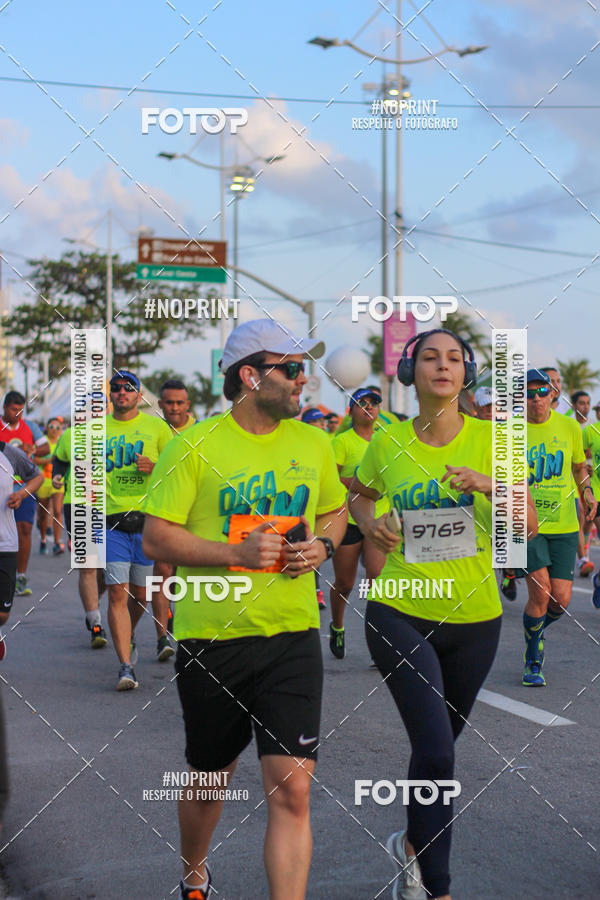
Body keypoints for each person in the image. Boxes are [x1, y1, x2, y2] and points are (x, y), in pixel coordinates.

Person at [142, 319, 347, 900]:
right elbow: (156, 536)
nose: (303, 379)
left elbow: (335, 510)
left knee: (293, 789)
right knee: (211, 779)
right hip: (213, 639)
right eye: (293, 368)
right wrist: (234, 553)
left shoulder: (314, 443)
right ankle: (194, 872)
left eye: (305, 368)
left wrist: (323, 545)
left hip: (292, 635)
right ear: (251, 376)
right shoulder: (193, 445)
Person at [349, 329, 537, 900]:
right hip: (398, 610)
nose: (442, 365)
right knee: (434, 750)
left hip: (476, 621)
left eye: (454, 358)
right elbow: (357, 495)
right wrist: (370, 525)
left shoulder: (496, 440)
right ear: (411, 372)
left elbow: (527, 523)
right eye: (430, 357)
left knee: (439, 751)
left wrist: (489, 484)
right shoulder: (388, 441)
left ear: (467, 373)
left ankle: (411, 844)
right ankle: (439, 888)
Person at [514, 369, 596, 686]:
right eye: (529, 393)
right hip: (528, 524)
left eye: (541, 392)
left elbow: (578, 468)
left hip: (564, 524)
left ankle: (535, 631)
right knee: (541, 591)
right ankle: (533, 661)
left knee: (560, 599)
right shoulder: (511, 433)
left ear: (552, 394)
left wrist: (587, 492)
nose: (535, 399)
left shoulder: (569, 427)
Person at [105, 370, 171, 690]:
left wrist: (155, 467)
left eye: (128, 388)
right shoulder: (96, 430)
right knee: (117, 592)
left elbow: (176, 471)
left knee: (141, 595)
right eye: (116, 388)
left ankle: (127, 634)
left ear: (139, 395)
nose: (122, 392)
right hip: (110, 522)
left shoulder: (157, 428)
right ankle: (125, 666)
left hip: (146, 522)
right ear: (110, 394)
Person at [329, 387, 387, 659]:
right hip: (349, 519)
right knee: (345, 582)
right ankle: (337, 626)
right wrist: (359, 484)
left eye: (374, 402)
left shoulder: (386, 439)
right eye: (361, 403)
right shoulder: (342, 442)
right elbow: (330, 478)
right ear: (351, 410)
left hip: (379, 518)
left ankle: (379, 640)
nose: (369, 407)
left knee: (377, 578)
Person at [53, 416, 108, 649]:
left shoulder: (117, 433)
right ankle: (95, 622)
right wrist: (57, 475)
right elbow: (59, 459)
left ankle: (93, 600)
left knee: (107, 570)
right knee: (88, 566)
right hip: (78, 504)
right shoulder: (70, 435)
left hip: (112, 506)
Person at [0, 392, 49, 596]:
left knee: (25, 529)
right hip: (3, 488)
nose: (18, 414)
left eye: (21, 410)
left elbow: (45, 447)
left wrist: (32, 450)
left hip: (23, 487)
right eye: (14, 410)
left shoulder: (29, 426)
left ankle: (20, 575)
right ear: (5, 407)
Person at [0, 441, 44, 660]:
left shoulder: (8, 453)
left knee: (2, 614)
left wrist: (21, 495)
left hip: (5, 543)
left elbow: (37, 477)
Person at [301, 407, 329, 609]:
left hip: (322, 504)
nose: (322, 425)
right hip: (302, 506)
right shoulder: (296, 445)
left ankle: (317, 592)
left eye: (323, 422)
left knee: (315, 546)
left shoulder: (325, 444)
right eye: (317, 421)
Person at [34, 417, 65, 556]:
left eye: (58, 427)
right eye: (52, 427)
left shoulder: (62, 441)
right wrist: (48, 460)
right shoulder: (42, 442)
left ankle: (57, 543)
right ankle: (43, 539)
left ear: (61, 429)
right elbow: (34, 459)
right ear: (47, 427)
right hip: (43, 481)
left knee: (57, 511)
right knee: (43, 513)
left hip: (58, 481)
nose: (54, 430)